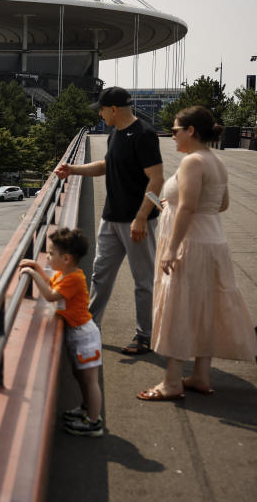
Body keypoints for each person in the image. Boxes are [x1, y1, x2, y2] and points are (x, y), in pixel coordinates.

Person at [137, 106, 257, 400]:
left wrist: (172, 249)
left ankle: (172, 382)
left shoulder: (192, 162)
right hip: (213, 242)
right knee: (206, 306)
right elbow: (221, 204)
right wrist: (176, 205)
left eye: (176, 130)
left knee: (180, 306)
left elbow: (190, 207)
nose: (173, 135)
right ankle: (201, 375)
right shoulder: (215, 160)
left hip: (190, 245)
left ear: (191, 131)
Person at [55, 86, 163, 354]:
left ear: (114, 109)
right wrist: (72, 170)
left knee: (143, 281)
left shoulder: (144, 135)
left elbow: (157, 178)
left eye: (102, 110)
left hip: (137, 222)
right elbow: (106, 166)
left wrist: (141, 217)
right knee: (101, 274)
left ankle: (144, 336)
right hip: (111, 217)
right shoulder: (115, 134)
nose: (100, 115)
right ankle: (90, 325)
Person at [20, 227, 104, 436]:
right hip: (78, 333)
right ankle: (86, 410)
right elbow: (51, 284)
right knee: (80, 376)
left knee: (90, 380)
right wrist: (37, 267)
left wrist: (31, 273)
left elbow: (50, 295)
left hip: (84, 335)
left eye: (50, 254)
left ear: (66, 258)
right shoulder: (65, 274)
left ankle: (94, 422)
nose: (48, 257)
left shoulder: (74, 279)